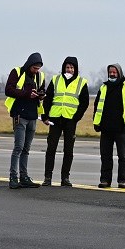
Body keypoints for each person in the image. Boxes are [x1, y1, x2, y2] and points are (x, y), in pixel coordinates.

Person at [40, 56, 89, 187]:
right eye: (67, 67)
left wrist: (76, 117)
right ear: (63, 68)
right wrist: (45, 115)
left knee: (68, 150)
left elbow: (84, 103)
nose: (69, 69)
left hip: (70, 120)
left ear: (76, 69)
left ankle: (65, 177)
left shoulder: (82, 82)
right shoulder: (55, 80)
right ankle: (48, 177)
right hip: (55, 118)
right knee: (51, 148)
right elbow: (48, 98)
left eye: (72, 67)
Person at [91, 63, 125, 189]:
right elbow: (97, 106)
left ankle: (123, 180)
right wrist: (96, 122)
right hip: (106, 128)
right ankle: (105, 179)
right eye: (110, 72)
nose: (112, 74)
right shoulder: (103, 88)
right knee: (105, 156)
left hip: (121, 128)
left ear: (119, 73)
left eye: (114, 72)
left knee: (123, 156)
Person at [4, 52, 46, 188]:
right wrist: (27, 94)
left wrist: (40, 95)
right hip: (19, 114)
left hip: (33, 115)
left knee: (26, 149)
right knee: (19, 147)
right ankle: (13, 177)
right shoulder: (17, 72)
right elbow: (8, 90)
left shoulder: (40, 76)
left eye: (38, 68)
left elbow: (42, 90)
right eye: (34, 68)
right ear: (29, 65)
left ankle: (24, 176)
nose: (36, 71)